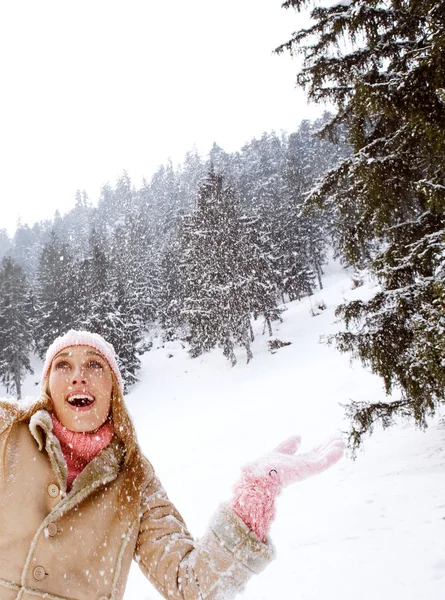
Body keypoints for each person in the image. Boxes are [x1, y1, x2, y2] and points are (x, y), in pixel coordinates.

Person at [0, 330, 344, 600]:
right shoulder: (7, 431)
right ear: (47, 387)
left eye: (94, 365)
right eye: (63, 365)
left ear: (113, 390)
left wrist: (253, 497)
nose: (78, 376)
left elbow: (191, 586)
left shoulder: (136, 479)